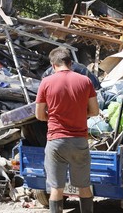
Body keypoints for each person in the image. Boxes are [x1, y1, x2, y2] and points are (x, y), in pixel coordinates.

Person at [35, 47, 99, 213]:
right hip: (79, 141)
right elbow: (94, 111)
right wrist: (78, 114)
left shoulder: (46, 82)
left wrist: (55, 116)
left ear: (53, 65)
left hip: (56, 142)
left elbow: (39, 115)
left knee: (56, 189)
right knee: (84, 187)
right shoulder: (85, 81)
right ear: (71, 63)